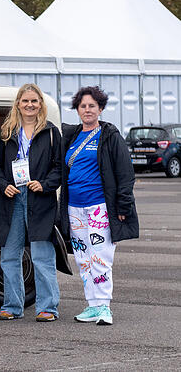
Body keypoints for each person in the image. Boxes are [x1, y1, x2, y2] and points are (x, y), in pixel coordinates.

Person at [60, 86, 138, 325]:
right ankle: (92, 305)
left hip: (99, 208)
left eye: (92, 106)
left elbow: (125, 174)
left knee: (101, 257)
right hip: (75, 208)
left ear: (101, 108)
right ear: (77, 109)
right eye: (83, 106)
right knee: (83, 259)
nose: (87, 110)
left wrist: (123, 208)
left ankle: (104, 306)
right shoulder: (71, 136)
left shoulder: (110, 135)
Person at [0, 84, 62, 322]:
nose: (30, 105)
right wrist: (3, 183)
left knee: (42, 255)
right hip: (12, 198)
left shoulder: (51, 133)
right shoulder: (7, 133)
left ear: (41, 104)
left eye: (34, 101)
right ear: (18, 104)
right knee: (9, 255)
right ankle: (12, 305)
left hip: (39, 198)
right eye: (25, 101)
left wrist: (45, 184)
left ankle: (47, 308)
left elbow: (60, 168)